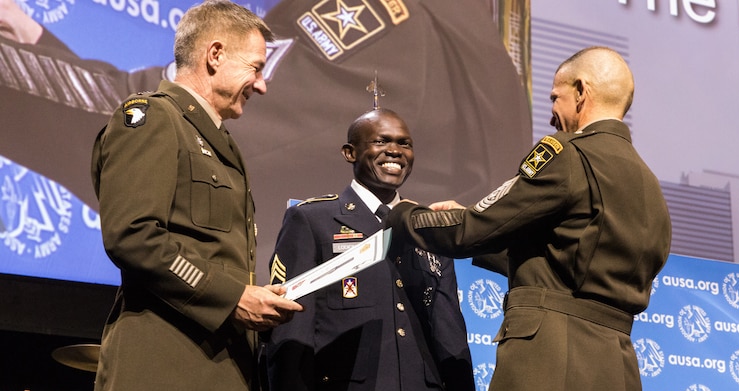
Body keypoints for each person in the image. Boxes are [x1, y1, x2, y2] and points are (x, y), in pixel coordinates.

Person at [0, 0, 532, 278]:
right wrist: (42, 44)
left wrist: (18, 64)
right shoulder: (482, 57)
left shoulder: (380, 25)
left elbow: (185, 122)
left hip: (343, 360)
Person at [387, 47, 672, 391]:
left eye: (557, 96)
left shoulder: (567, 156)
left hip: (550, 384)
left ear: (582, 93)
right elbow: (574, 262)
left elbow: (473, 228)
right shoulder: (650, 184)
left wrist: (405, 215)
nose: (552, 111)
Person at [80, 2, 303, 391]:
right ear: (214, 54)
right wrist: (234, 298)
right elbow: (134, 235)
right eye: (256, 68)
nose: (262, 84)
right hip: (160, 387)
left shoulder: (220, 141)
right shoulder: (152, 117)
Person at [267, 108, 480, 391]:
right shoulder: (314, 221)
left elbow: (450, 336)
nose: (395, 151)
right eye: (381, 141)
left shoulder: (430, 231)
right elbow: (291, 333)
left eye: (404, 143)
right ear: (351, 152)